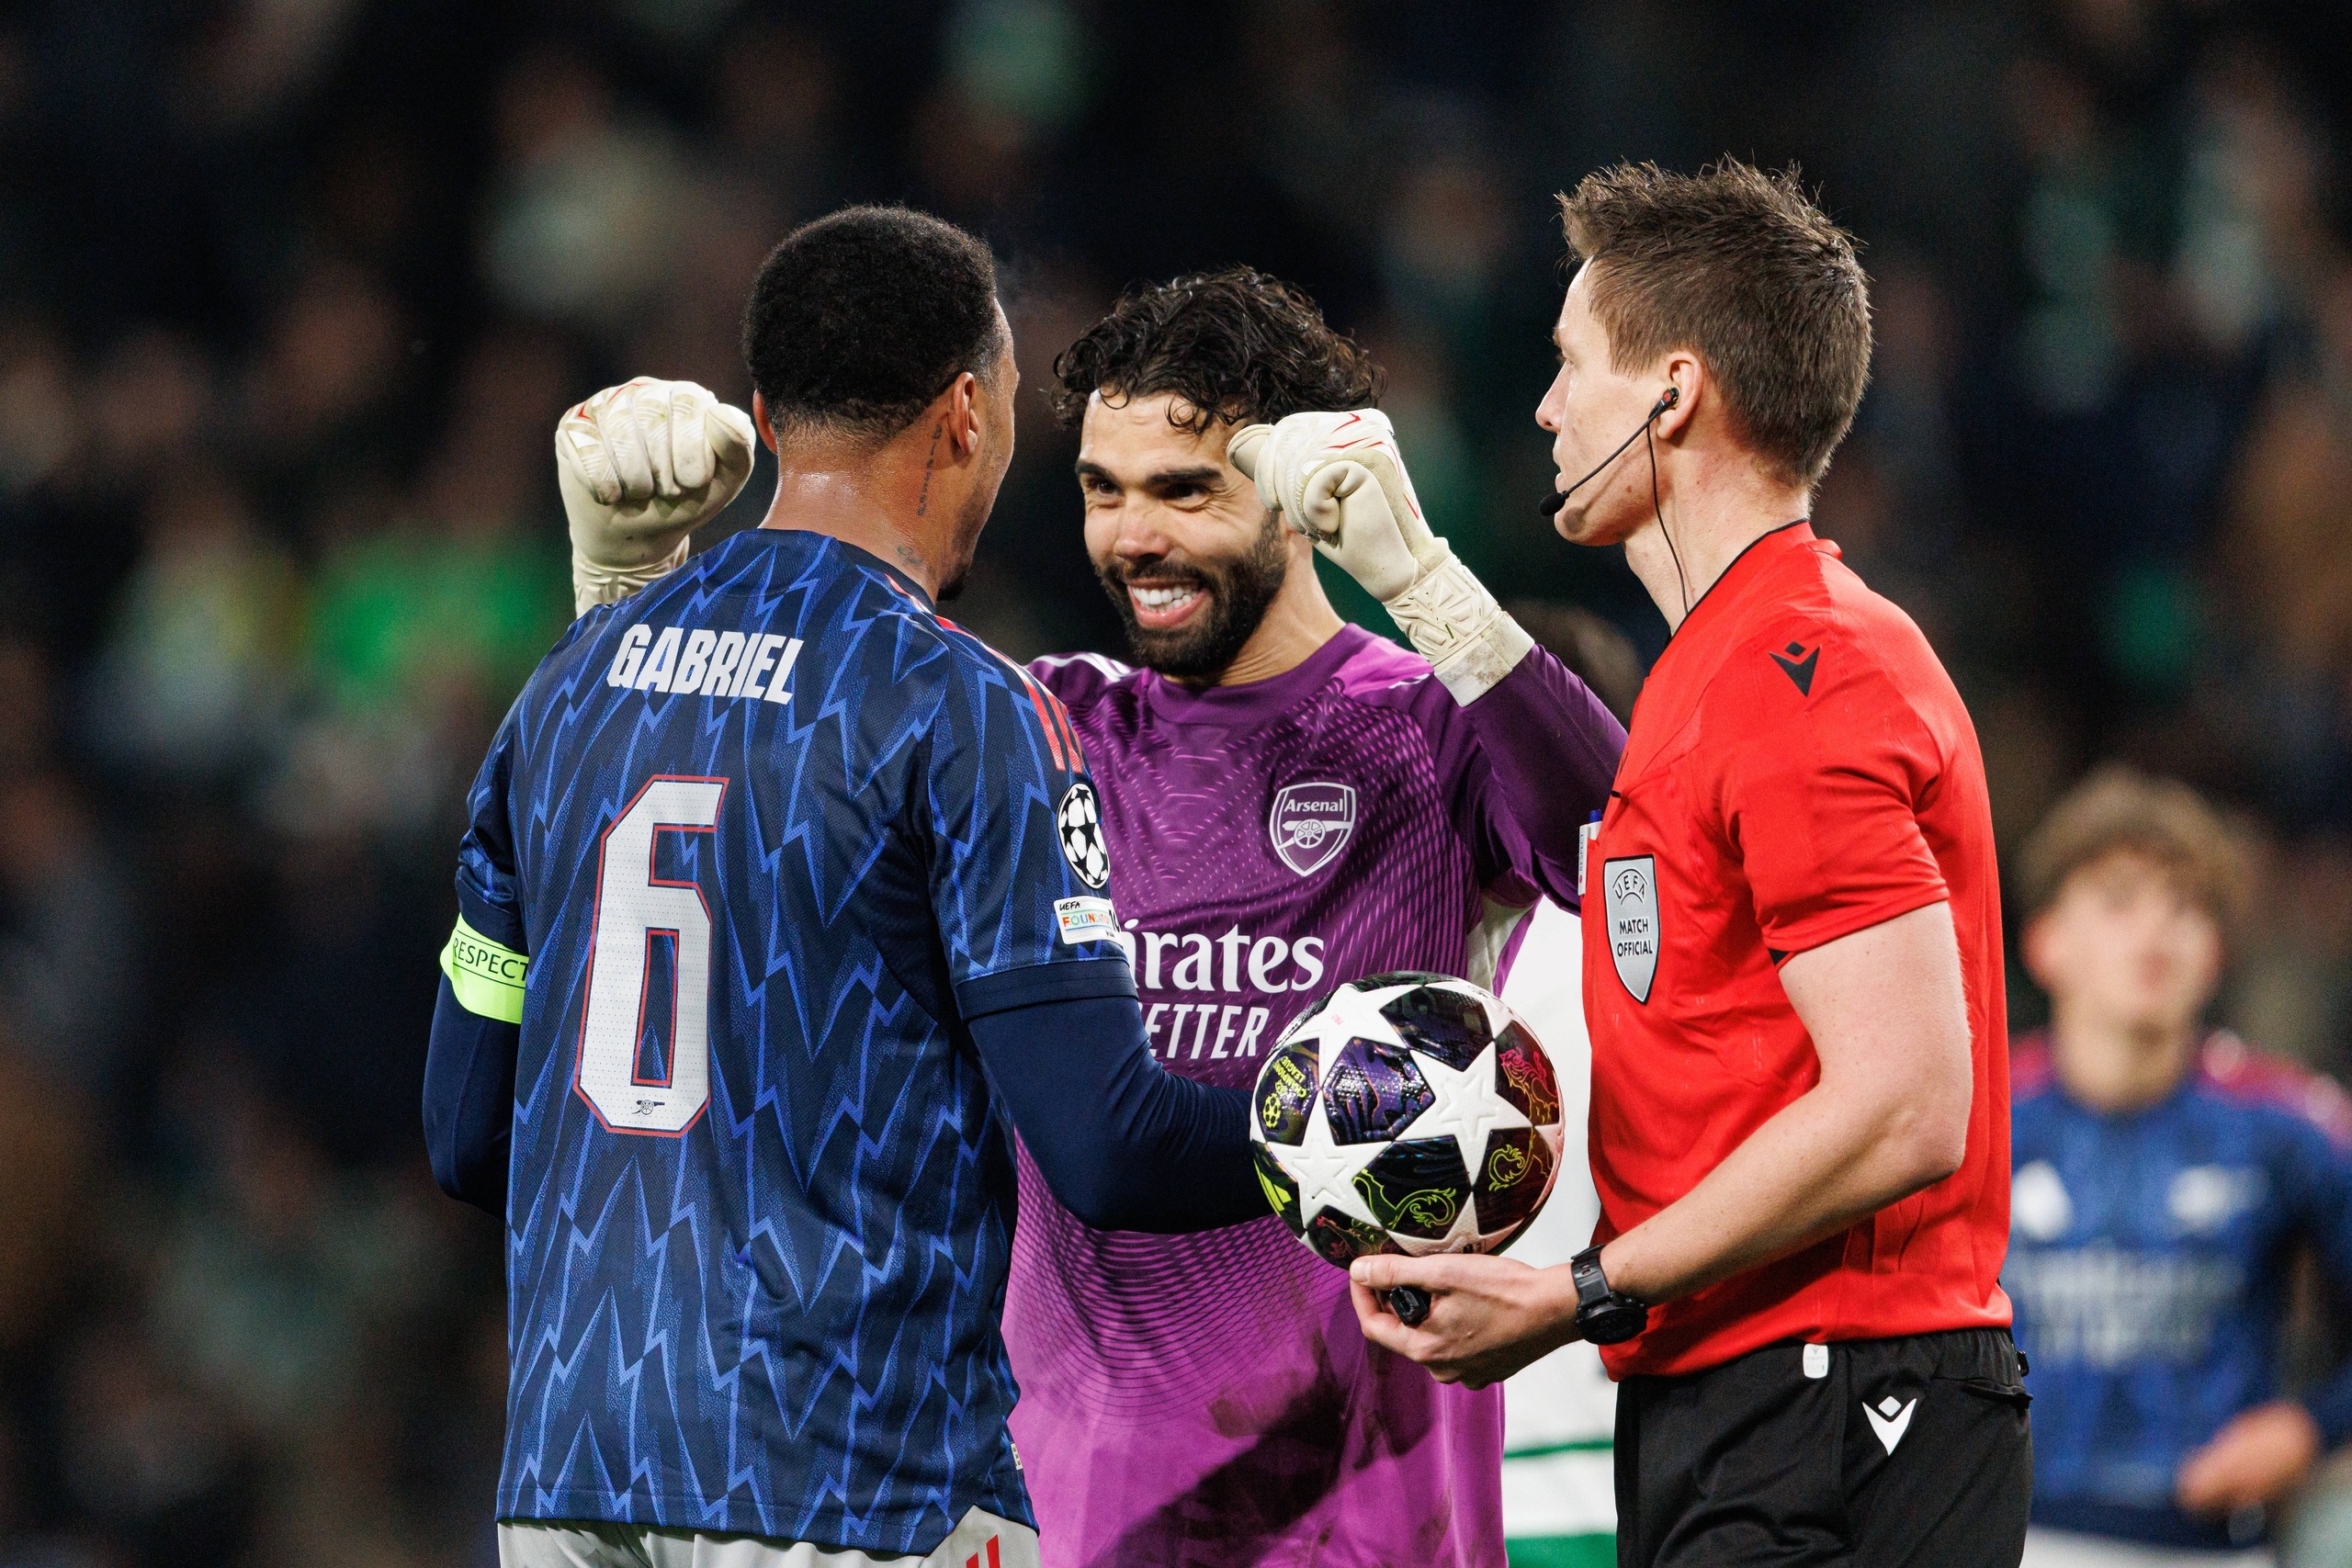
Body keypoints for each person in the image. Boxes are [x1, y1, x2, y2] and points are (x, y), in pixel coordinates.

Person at [553, 265, 1628, 1566]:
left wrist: (1426, 580)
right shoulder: (1039, 721)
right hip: (1059, 1516)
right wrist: (623, 586)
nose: (1133, 537)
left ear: (1298, 496)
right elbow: (712, 851)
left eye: (1185, 491)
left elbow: (1625, 852)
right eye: (1102, 490)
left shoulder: (1422, 729)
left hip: (1359, 1518)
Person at [419, 206, 1270, 1568]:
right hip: (852, 1471)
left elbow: (467, 1132)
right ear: (970, 412)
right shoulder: (958, 703)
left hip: (571, 1470)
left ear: (765, 416)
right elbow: (1109, 1142)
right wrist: (1335, 1122)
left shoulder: (567, 684)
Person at [1346, 159, 2030, 1566]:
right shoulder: (1708, 676)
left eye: (1570, 365)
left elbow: (1908, 1104)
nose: (1546, 409)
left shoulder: (1805, 669)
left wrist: (1577, 1289)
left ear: (1671, 391)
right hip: (1738, 1385)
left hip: (1840, 1386)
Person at [2006, 767, 2352, 1567]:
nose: (2155, 932)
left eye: (2186, 905)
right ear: (2044, 941)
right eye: (2120, 900)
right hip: (2014, 1537)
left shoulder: (2285, 1123)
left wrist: (2308, 1427)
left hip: (2212, 1546)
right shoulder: (1977, 1120)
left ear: (2217, 953)